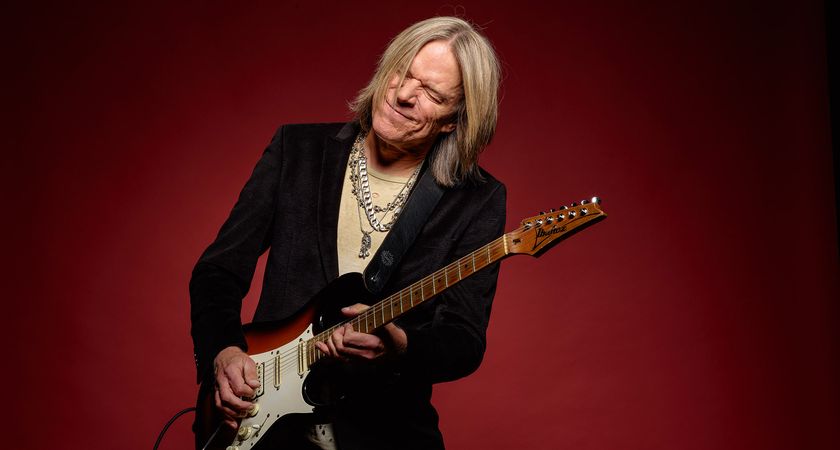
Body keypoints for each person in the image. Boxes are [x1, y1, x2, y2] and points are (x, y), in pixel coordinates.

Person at [190, 16, 506, 450]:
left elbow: (464, 339)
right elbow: (218, 271)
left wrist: (401, 346)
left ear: (454, 120)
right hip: (263, 425)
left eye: (431, 93)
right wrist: (223, 352)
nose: (403, 95)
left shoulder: (476, 200)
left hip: (386, 433)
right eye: (402, 72)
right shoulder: (296, 150)